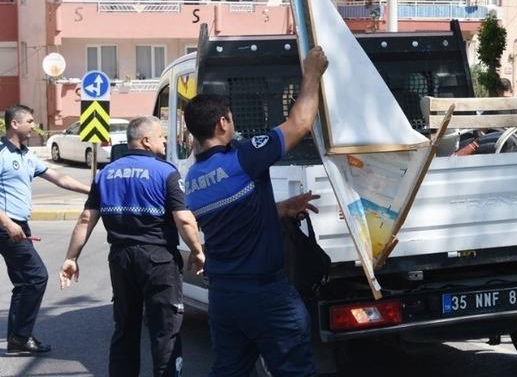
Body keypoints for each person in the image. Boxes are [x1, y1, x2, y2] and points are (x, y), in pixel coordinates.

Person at [183, 46, 327, 377]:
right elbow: (300, 123)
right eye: (231, 118)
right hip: (265, 295)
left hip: (224, 296)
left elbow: (234, 220)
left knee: (228, 371)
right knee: (294, 370)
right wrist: (312, 74)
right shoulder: (243, 159)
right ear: (222, 123)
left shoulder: (194, 179)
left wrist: (278, 209)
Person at [59, 116, 205, 377]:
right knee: (165, 331)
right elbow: (183, 218)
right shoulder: (166, 172)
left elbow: (86, 219)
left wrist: (72, 257)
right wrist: (197, 251)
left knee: (125, 329)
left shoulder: (105, 174)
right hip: (159, 260)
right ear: (146, 141)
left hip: (121, 260)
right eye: (161, 136)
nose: (164, 140)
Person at [0, 104, 90, 354]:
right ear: (14, 124)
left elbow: (59, 178)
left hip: (19, 225)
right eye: (29, 121)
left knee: (24, 282)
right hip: (6, 225)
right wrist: (8, 223)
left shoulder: (27, 155)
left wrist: (92, 190)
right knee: (36, 277)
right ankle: (19, 337)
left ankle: (18, 338)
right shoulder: (1, 153)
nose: (34, 125)